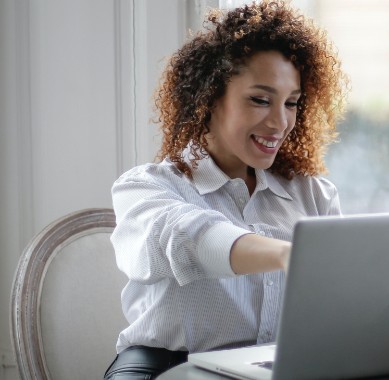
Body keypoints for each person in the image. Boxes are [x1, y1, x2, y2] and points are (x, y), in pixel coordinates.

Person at [104, 1, 347, 378]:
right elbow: (188, 236)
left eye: (292, 103)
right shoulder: (146, 186)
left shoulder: (312, 194)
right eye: (260, 100)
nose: (280, 122)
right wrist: (289, 254)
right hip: (166, 366)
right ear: (209, 97)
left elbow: (339, 301)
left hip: (275, 367)